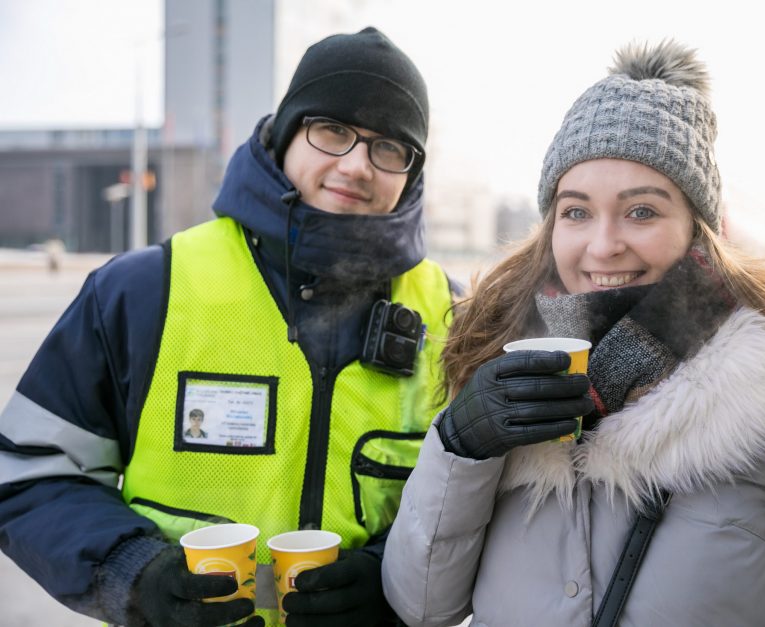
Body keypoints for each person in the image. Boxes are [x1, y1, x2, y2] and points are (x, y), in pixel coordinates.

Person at [382, 40, 765, 626]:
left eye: (642, 211)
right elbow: (423, 606)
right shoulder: (496, 363)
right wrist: (463, 445)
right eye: (576, 211)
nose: (603, 245)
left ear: (698, 229)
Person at [0, 27, 454, 627]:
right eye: (334, 131)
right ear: (288, 133)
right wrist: (133, 574)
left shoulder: (452, 317)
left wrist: (391, 582)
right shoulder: (145, 290)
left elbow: (473, 507)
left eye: (389, 147)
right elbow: (29, 472)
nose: (356, 166)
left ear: (410, 172)